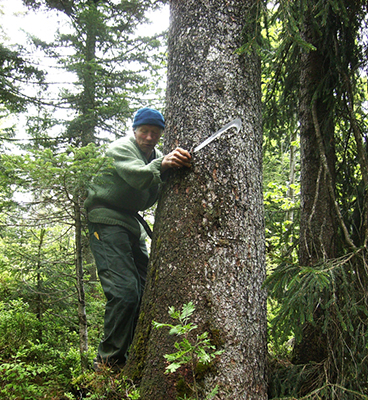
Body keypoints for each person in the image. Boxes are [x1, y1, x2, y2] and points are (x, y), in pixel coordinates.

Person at [85, 107, 191, 370]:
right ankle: (108, 362)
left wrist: (168, 167)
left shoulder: (156, 155)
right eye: (144, 131)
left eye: (155, 133)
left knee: (147, 290)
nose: (149, 137)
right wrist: (163, 165)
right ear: (134, 130)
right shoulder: (121, 148)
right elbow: (137, 175)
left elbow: (153, 188)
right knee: (124, 292)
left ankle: (133, 355)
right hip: (106, 220)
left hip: (131, 225)